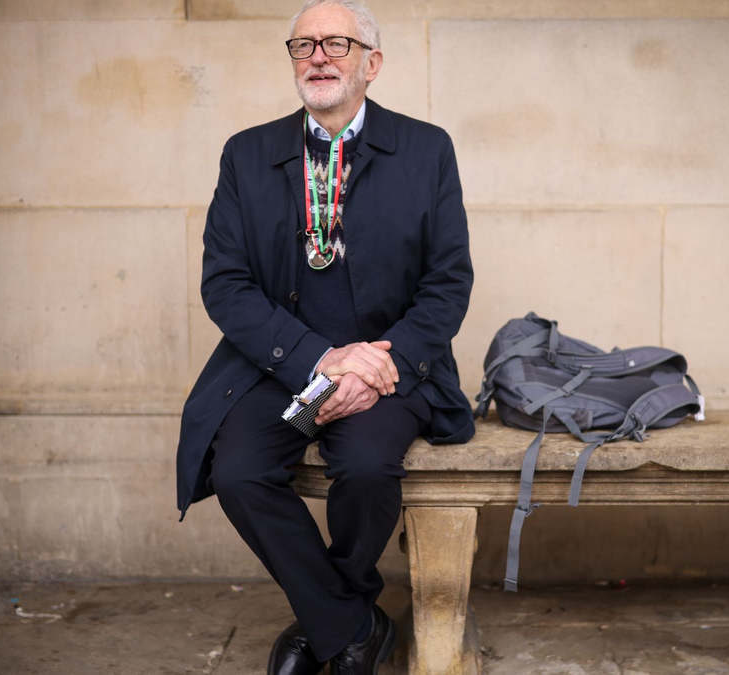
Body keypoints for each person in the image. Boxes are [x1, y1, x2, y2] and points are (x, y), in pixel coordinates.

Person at [173, 0, 475, 672]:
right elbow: (226, 284)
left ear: (372, 63)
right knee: (238, 472)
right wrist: (321, 358)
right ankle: (352, 624)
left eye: (337, 43)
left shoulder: (426, 149)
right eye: (303, 45)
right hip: (281, 365)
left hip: (390, 368)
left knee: (366, 470)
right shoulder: (247, 153)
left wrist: (372, 366)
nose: (318, 57)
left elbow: (448, 283)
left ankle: (329, 618)